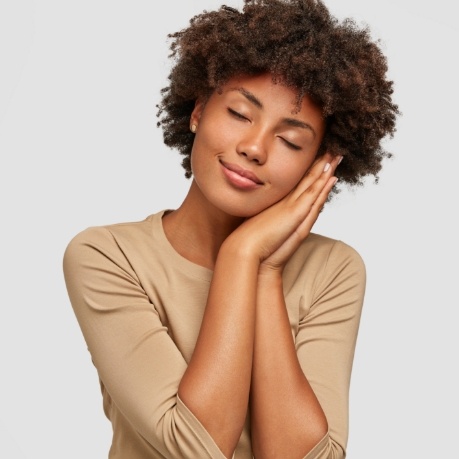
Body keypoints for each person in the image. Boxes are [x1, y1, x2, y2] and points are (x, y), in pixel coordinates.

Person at [63, 0, 399, 458]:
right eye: (240, 114)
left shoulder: (333, 270)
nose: (255, 147)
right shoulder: (107, 256)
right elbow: (193, 449)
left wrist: (261, 269)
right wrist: (243, 256)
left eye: (290, 140)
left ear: (319, 163)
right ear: (198, 110)